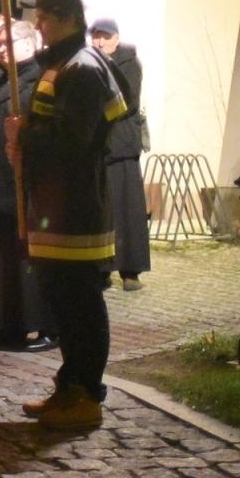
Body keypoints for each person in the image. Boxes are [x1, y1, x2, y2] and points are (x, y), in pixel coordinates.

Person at [7, 0, 129, 431]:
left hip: (76, 208)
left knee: (80, 303)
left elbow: (76, 141)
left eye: (43, 17)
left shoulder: (82, 68)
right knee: (62, 303)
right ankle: (70, 384)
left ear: (67, 18)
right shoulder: (61, 64)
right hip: (56, 205)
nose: (37, 25)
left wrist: (25, 135)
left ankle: (87, 394)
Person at [0, 19, 50, 350]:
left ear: (27, 44)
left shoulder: (37, 80)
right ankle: (3, 320)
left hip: (21, 181)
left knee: (24, 259)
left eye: (6, 42)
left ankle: (38, 322)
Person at [90, 18, 148, 291]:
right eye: (96, 36)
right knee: (103, 211)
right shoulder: (89, 63)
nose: (100, 41)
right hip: (100, 148)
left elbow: (127, 102)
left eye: (105, 36)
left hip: (122, 145)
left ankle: (130, 270)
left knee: (127, 210)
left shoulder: (129, 64)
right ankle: (102, 268)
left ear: (116, 39)